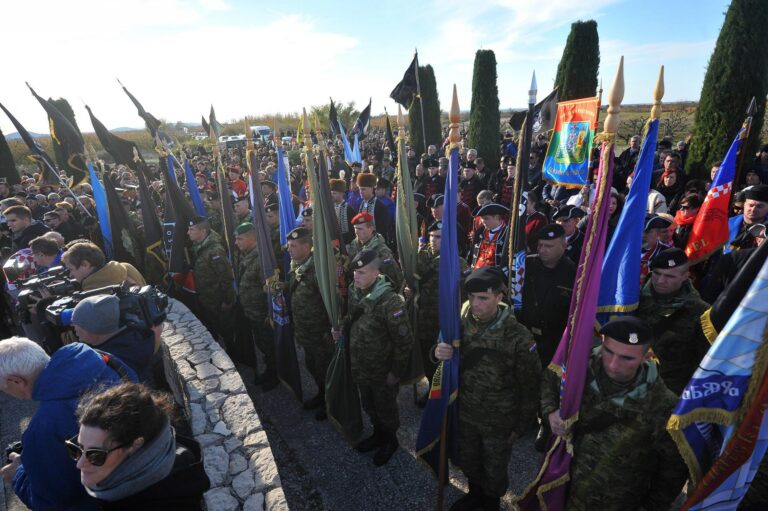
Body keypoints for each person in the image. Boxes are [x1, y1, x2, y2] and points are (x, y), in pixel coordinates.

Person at [542, 316, 688, 510]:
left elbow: (671, 471)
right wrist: (550, 411)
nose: (613, 365)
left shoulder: (663, 406)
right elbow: (549, 381)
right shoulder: (578, 369)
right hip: (563, 487)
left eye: (627, 358)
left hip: (614, 502)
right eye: (608, 352)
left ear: (647, 357)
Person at [435, 267, 540, 511]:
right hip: (465, 411)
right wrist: (438, 351)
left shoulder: (518, 336)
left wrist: (521, 426)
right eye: (471, 297)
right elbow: (442, 349)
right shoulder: (459, 322)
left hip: (498, 420)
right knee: (469, 459)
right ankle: (474, 495)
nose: (475, 304)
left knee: (494, 468)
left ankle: (490, 503)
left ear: (499, 297)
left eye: (483, 298)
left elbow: (531, 384)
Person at [0, 338, 132, 511]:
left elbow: (53, 503)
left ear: (16, 381)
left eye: (3, 388)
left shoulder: (43, 428)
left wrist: (17, 474)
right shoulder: (102, 360)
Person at [73, 382, 210, 510]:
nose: (79, 464)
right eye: (77, 449)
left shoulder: (169, 499)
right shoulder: (165, 452)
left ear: (135, 445)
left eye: (95, 455)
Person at [332, 250, 412, 466]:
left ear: (377, 272)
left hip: (382, 370)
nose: (356, 277)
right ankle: (378, 434)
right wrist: (342, 328)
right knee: (368, 404)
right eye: (354, 272)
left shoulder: (390, 301)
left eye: (361, 272)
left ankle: (390, 441)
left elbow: (404, 342)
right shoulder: (354, 290)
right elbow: (351, 316)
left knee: (385, 408)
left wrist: (395, 372)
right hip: (360, 364)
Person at [407, 221, 468, 406]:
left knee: (442, 359)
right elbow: (412, 281)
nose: (433, 240)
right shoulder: (421, 256)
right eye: (432, 236)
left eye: (439, 237)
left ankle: (443, 392)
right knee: (427, 356)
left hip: (444, 320)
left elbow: (465, 295)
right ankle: (432, 389)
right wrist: (409, 291)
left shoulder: (457, 262)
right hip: (423, 317)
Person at [636, 248, 710, 394]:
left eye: (670, 276)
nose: (661, 281)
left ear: (685, 276)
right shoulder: (632, 300)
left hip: (667, 393)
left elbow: (704, 362)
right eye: (657, 273)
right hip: (628, 386)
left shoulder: (700, 312)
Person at [286, 226, 334, 418]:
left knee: (325, 370)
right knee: (312, 366)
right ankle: (321, 395)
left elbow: (331, 302)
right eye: (289, 245)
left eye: (293, 246)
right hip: (305, 331)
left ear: (306, 247)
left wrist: (329, 331)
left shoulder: (317, 270)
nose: (289, 249)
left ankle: (330, 404)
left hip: (320, 333)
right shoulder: (296, 264)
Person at [71, 295, 158, 384]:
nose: (73, 328)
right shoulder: (136, 334)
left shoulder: (112, 362)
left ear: (94, 329)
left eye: (78, 326)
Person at [187, 216, 236, 347]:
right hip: (207, 299)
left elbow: (226, 277)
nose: (188, 232)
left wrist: (227, 301)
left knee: (227, 332)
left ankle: (234, 358)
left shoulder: (214, 250)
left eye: (192, 229)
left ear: (203, 231)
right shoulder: (199, 246)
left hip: (218, 301)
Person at [346, 212, 403, 291]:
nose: (356, 231)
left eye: (360, 228)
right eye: (355, 228)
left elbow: (395, 277)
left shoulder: (381, 250)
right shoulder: (354, 244)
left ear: (372, 228)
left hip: (375, 293)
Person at [62, 241, 146, 291]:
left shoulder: (93, 291)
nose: (70, 275)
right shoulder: (126, 267)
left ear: (85, 264)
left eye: (71, 269)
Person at [727, 184, 768, 252]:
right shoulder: (727, 224)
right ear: (744, 205)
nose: (753, 209)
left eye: (760, 206)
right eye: (751, 205)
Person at [470, 202, 510, 272]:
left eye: (486, 218)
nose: (483, 221)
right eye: (481, 218)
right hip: (476, 273)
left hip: (494, 277)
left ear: (497, 217)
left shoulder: (508, 234)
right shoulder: (480, 231)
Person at [356, 173, 389, 240]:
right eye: (360, 189)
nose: (361, 192)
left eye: (363, 189)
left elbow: (382, 229)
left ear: (371, 189)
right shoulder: (361, 204)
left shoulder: (380, 206)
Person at [330, 178, 355, 246]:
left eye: (334, 193)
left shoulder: (349, 209)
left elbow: (352, 231)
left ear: (341, 194)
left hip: (347, 244)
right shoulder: (330, 208)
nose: (332, 195)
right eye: (331, 193)